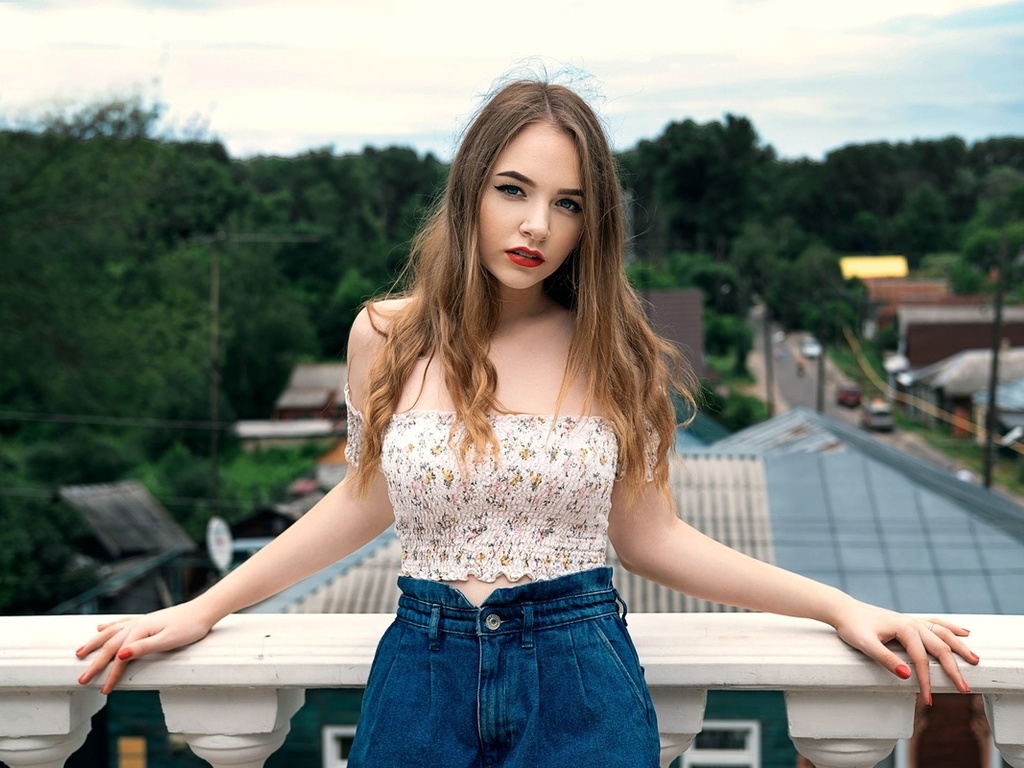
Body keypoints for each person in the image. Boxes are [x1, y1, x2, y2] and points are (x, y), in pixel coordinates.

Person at [75, 77, 978, 766]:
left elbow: (652, 538)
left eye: (568, 203)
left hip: (580, 674)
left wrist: (839, 605)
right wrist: (204, 606)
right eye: (514, 189)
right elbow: (361, 502)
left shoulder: (615, 352)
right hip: (419, 676)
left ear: (594, 223)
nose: (536, 224)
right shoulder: (382, 336)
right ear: (471, 188)